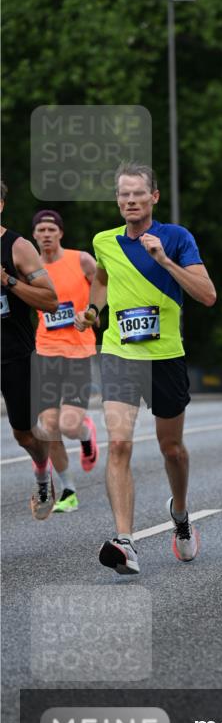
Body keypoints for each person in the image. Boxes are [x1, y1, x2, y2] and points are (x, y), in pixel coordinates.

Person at [75, 162, 216, 575]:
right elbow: (102, 279)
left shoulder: (176, 238)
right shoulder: (104, 241)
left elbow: (208, 295)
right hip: (119, 354)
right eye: (124, 194)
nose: (131, 200)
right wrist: (93, 310)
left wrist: (164, 260)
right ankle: (125, 541)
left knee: (171, 448)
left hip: (165, 356)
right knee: (119, 444)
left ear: (154, 197)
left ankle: (181, 513)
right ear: (117, 200)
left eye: (138, 193)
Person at [32, 209, 99, 513]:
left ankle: (85, 433)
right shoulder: (30, 268)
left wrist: (93, 313)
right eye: (41, 230)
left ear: (60, 233)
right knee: (48, 426)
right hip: (46, 351)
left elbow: (104, 287)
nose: (46, 234)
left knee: (68, 426)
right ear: (34, 235)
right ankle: (68, 489)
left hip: (78, 352)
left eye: (51, 229)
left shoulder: (81, 260)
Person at [0, 181, 59, 519]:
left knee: (23, 433)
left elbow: (50, 301)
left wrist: (8, 281)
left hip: (14, 355)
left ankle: (41, 471)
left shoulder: (18, 247)